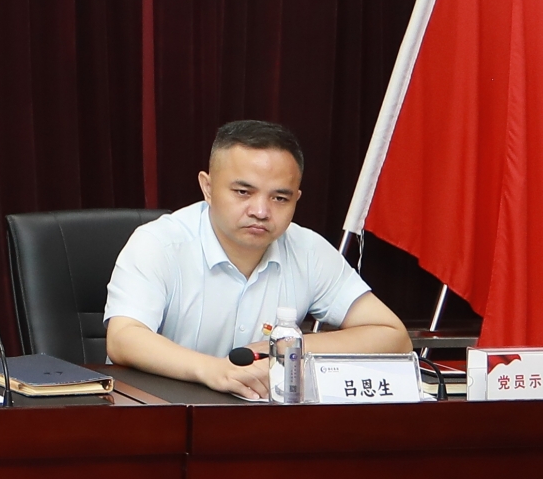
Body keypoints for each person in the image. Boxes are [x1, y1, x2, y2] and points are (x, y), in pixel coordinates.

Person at [101, 118, 411, 399]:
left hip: (262, 422)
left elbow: (392, 336)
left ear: (296, 199)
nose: (261, 211)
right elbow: (124, 338)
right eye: (243, 192)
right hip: (161, 414)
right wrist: (213, 370)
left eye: (279, 198)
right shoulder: (159, 244)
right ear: (207, 188)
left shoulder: (308, 250)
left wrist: (284, 349)